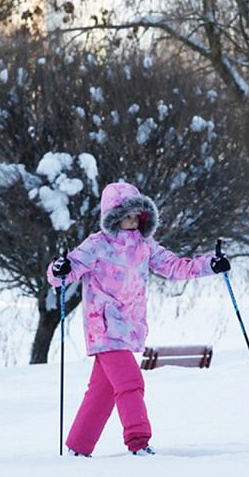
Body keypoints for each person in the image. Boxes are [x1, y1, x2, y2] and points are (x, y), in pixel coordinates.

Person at [47, 181, 230, 457]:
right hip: (105, 328)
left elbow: (174, 266)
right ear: (112, 216)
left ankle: (78, 447)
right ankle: (138, 442)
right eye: (126, 216)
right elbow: (63, 274)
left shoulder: (145, 245)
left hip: (130, 327)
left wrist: (210, 264)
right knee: (131, 383)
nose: (132, 222)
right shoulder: (97, 244)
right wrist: (59, 269)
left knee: (103, 391)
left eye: (136, 217)